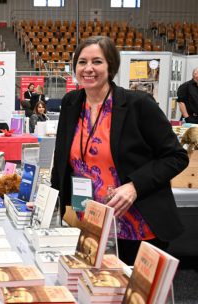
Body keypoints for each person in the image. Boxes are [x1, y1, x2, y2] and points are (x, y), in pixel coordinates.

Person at [50, 36, 189, 266]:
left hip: (138, 224)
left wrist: (134, 186)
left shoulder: (138, 104)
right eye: (82, 62)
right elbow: (62, 156)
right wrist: (52, 201)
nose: (88, 68)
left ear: (111, 66)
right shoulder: (71, 102)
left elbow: (176, 156)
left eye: (97, 61)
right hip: (90, 222)